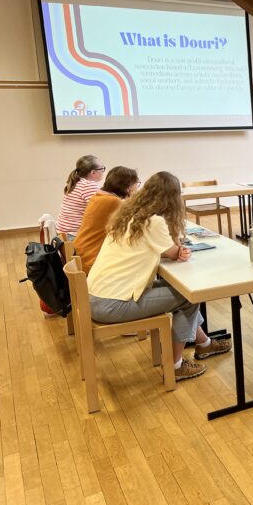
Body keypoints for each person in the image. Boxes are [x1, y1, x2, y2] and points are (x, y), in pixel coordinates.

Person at [87, 171, 231, 381]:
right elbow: (174, 252)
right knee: (188, 296)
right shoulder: (153, 222)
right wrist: (175, 230)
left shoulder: (129, 216)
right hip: (113, 303)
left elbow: (161, 250)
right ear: (172, 199)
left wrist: (173, 248)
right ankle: (175, 365)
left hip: (95, 297)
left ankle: (204, 343)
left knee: (180, 292)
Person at [74, 166, 140, 275]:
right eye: (137, 184)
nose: (137, 188)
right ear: (128, 187)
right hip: (92, 261)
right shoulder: (114, 202)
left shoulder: (98, 196)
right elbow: (136, 223)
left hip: (81, 255)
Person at [56, 155, 106, 236]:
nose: (103, 172)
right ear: (93, 172)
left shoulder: (77, 182)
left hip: (63, 233)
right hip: (73, 235)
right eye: (102, 169)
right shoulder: (88, 186)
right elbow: (102, 211)